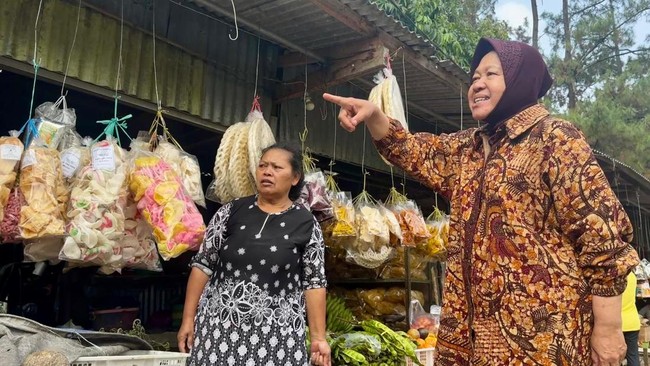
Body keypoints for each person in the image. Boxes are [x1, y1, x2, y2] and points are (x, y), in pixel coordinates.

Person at [323, 38, 639, 365]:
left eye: (491, 74)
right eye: (474, 77)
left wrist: (609, 327)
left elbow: (601, 236)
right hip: (468, 341)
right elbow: (414, 152)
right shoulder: (468, 149)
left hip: (540, 341)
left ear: (520, 80)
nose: (477, 83)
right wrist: (374, 114)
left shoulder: (554, 138)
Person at [177, 142, 331, 366]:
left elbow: (314, 282)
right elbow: (203, 265)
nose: (267, 172)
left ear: (295, 178)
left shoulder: (306, 223)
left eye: (277, 168)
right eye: (262, 166)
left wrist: (318, 338)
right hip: (219, 327)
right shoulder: (230, 211)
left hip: (278, 334)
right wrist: (188, 319)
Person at [622, 271, 641, 366]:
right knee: (633, 356)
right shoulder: (632, 276)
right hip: (632, 322)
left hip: (616, 324)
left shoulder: (613, 276)